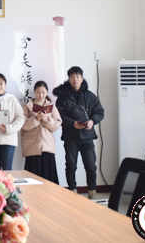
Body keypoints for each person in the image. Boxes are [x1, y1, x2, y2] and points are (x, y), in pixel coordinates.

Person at [54, 66, 104, 199]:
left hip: (87, 137)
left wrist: (92, 121)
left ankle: (92, 191)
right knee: (71, 165)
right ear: (68, 79)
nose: (75, 79)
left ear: (82, 79)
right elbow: (59, 115)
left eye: (77, 77)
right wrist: (72, 123)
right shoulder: (63, 98)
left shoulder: (90, 96)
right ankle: (72, 190)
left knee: (91, 165)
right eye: (72, 77)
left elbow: (100, 112)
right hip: (71, 137)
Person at [21, 81, 62, 184]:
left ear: (47, 92)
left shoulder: (51, 107)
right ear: (34, 92)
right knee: (32, 178)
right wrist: (36, 119)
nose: (41, 95)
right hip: (32, 146)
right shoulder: (27, 106)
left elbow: (57, 124)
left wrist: (47, 119)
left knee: (49, 178)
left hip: (47, 146)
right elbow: (23, 125)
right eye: (38, 92)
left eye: (43, 92)